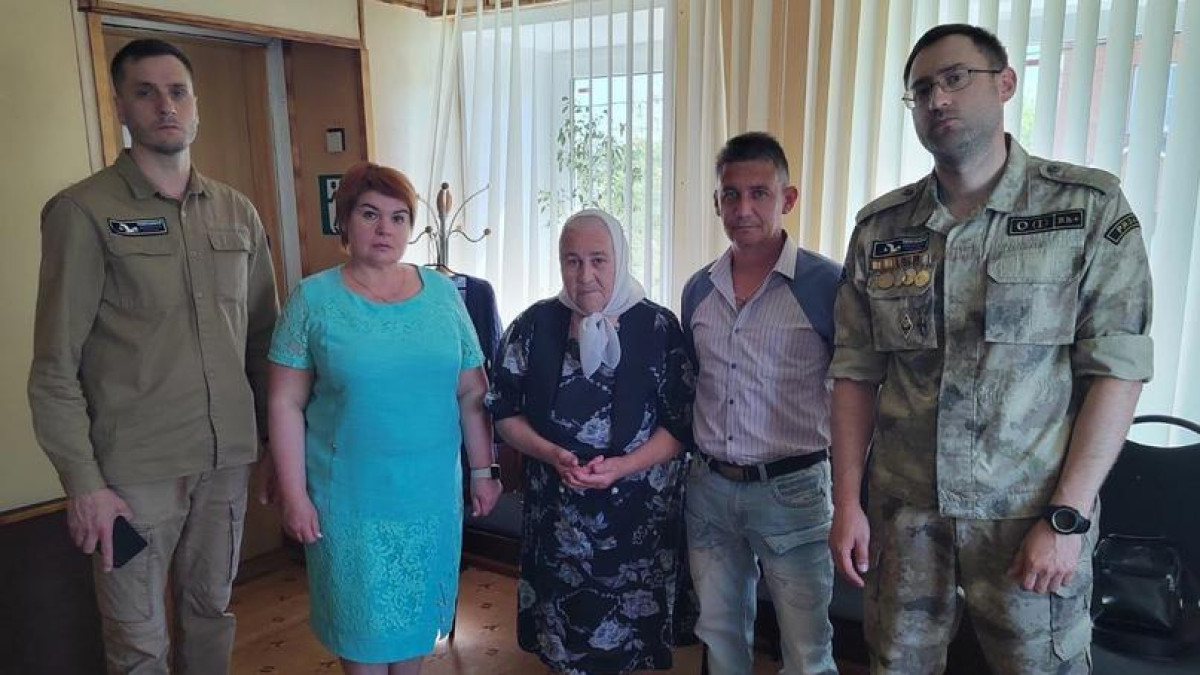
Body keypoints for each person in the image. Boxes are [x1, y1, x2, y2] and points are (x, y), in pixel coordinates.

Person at [828, 23, 1153, 675]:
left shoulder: (1085, 210)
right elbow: (855, 374)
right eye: (922, 90)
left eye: (955, 78)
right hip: (906, 520)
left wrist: (1067, 517)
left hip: (1029, 519)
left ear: (1004, 84)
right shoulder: (882, 230)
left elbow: (1117, 372)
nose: (938, 99)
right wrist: (847, 503)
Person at [27, 38, 278, 675]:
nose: (165, 105)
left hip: (225, 463)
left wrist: (275, 447)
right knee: (138, 640)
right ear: (121, 107)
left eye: (177, 92)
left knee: (211, 613)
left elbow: (262, 343)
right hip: (133, 478)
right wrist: (84, 485)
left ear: (196, 106)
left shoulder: (238, 213)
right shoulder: (83, 212)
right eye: (146, 92)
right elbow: (54, 369)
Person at [268, 161, 501, 675]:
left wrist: (484, 471)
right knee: (365, 644)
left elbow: (471, 389)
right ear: (344, 222)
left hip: (430, 501)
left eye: (398, 218)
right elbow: (285, 402)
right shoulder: (312, 299)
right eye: (369, 214)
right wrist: (294, 493)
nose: (384, 229)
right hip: (350, 505)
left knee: (413, 638)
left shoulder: (443, 295)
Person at [486, 208, 694, 674]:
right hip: (558, 522)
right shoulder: (534, 325)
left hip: (638, 523)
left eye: (598, 260)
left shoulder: (658, 328)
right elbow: (503, 411)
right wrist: (550, 453)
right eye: (572, 260)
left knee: (632, 647)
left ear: (619, 259)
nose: (585, 275)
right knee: (565, 648)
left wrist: (623, 466)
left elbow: (681, 428)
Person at [680, 132, 841, 675]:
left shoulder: (827, 285)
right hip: (709, 487)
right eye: (730, 194)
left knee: (807, 649)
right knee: (720, 636)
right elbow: (696, 380)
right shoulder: (699, 289)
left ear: (787, 199)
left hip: (792, 490)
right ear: (716, 202)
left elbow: (855, 390)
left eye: (759, 194)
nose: (743, 208)